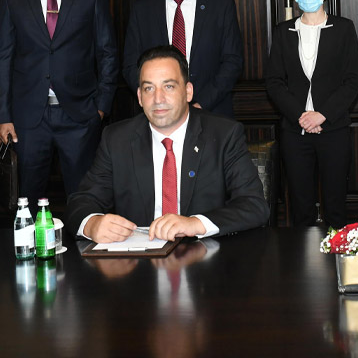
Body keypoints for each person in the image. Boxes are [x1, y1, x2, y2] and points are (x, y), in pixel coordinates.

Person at [66, 46, 269, 241]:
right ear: (139, 97)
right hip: (139, 265)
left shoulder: (224, 135)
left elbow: (254, 206)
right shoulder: (117, 139)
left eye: (169, 86)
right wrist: (92, 224)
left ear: (188, 92)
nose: (158, 98)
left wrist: (195, 224)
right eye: (148, 88)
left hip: (207, 261)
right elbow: (82, 201)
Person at [0, 0, 118, 199]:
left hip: (79, 114)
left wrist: (101, 107)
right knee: (26, 197)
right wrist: (3, 116)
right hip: (28, 117)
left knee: (84, 198)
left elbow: (107, 51)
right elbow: (4, 56)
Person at [265, 0, 358, 227]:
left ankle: (337, 265)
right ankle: (302, 265)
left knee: (335, 206)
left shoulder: (343, 28)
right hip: (295, 133)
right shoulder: (283, 31)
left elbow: (352, 81)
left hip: (334, 130)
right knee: (300, 207)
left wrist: (322, 115)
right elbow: (274, 82)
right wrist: (301, 116)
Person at [122, 0, 243, 119]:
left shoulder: (221, 5)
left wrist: (200, 105)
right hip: (158, 112)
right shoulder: (142, 9)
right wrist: (154, 99)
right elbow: (131, 65)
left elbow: (232, 61)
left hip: (211, 112)